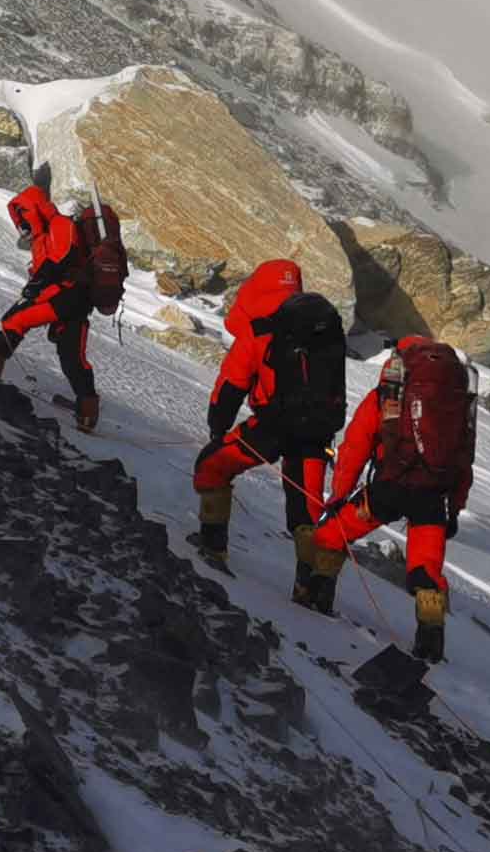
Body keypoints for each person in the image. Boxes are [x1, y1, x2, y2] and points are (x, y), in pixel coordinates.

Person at [301, 337, 474, 663]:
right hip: (432, 497)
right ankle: (430, 647)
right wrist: (454, 509)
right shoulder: (455, 403)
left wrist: (338, 495)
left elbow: (355, 447)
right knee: (427, 573)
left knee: (332, 537)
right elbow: (464, 462)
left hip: (387, 490)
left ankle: (316, 598)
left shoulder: (390, 393)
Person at [189, 260, 347, 591]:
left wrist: (218, 429)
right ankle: (311, 591)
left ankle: (213, 546)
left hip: (272, 428)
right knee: (306, 511)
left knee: (212, 466)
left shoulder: (261, 326)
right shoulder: (321, 326)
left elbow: (231, 385)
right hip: (317, 434)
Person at [0, 178, 99, 433]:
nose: (23, 226)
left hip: (66, 297)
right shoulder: (44, 235)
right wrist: (37, 283)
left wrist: (37, 285)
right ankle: (87, 414)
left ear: (34, 210)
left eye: (24, 218)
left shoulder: (61, 225)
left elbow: (61, 260)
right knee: (72, 357)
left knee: (14, 320)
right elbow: (51, 267)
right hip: (72, 299)